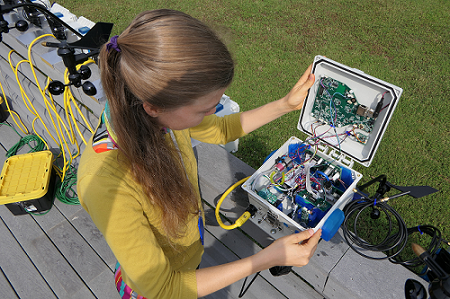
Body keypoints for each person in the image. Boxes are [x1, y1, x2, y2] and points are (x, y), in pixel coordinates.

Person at [77, 9, 321, 299]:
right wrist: (265, 259)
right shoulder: (105, 182)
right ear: (153, 106)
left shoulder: (157, 117)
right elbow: (163, 288)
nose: (211, 113)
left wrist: (285, 105)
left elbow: (221, 130)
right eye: (205, 109)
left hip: (187, 260)